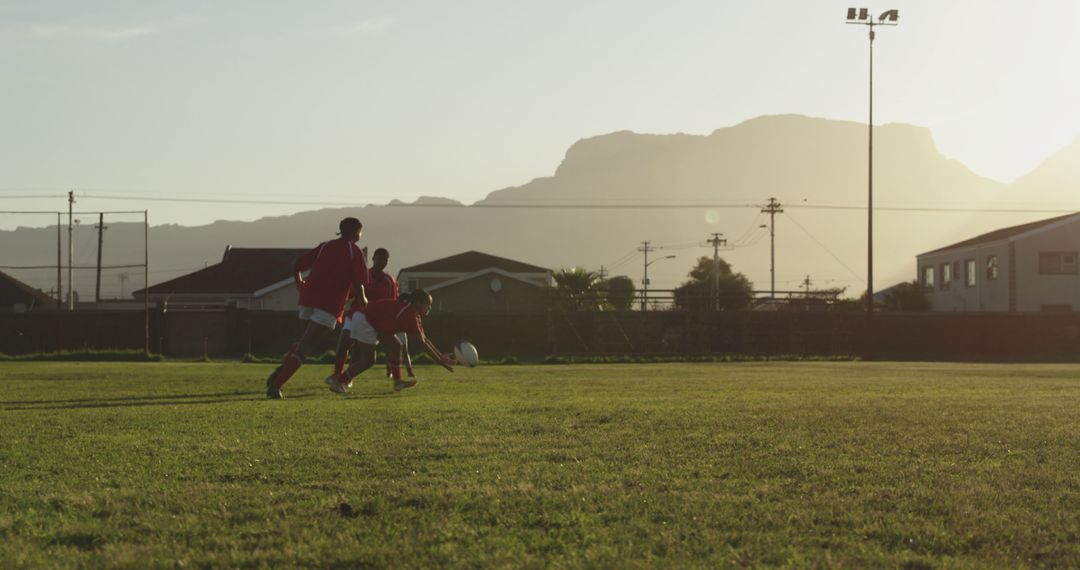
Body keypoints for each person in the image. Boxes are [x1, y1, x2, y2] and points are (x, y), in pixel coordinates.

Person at [265, 217, 369, 399]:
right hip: (328, 305)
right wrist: (364, 300)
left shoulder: (325, 246)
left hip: (307, 299)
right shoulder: (355, 251)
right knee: (306, 347)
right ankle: (276, 385)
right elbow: (360, 283)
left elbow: (297, 265)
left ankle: (278, 375)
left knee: (302, 343)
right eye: (361, 231)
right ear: (356, 232)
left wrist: (300, 283)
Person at [329, 289, 453, 393]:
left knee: (396, 346)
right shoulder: (409, 314)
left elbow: (425, 339)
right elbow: (422, 343)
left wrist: (440, 356)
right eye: (428, 304)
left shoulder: (414, 314)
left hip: (373, 323)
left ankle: (398, 382)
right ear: (418, 303)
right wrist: (440, 361)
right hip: (365, 320)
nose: (430, 308)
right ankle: (339, 382)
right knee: (368, 360)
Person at [328, 247, 414, 386]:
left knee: (392, 347)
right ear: (373, 259)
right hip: (358, 314)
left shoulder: (389, 280)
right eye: (380, 258)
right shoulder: (363, 275)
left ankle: (395, 380)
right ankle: (338, 374)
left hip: (377, 321)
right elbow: (349, 294)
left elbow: (393, 302)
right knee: (346, 342)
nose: (382, 261)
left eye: (385, 259)